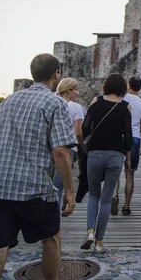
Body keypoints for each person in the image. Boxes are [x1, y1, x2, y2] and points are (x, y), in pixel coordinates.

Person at [0, 54, 76, 280]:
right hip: (34, 187)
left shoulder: (8, 101)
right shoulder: (55, 104)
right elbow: (59, 152)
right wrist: (69, 190)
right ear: (56, 74)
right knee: (52, 239)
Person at [81, 73, 132, 253]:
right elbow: (128, 137)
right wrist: (127, 156)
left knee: (93, 195)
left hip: (95, 153)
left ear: (106, 85)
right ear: (122, 88)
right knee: (106, 198)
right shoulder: (126, 107)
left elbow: (85, 127)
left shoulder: (96, 102)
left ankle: (89, 231)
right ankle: (99, 243)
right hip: (115, 155)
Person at [120, 76, 141, 215]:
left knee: (114, 171)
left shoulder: (121, 99)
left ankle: (114, 195)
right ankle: (126, 206)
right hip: (134, 139)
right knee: (130, 175)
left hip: (118, 137)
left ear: (129, 86)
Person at [53, 78, 84, 208]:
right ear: (68, 91)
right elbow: (78, 133)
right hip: (67, 150)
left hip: (50, 149)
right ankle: (55, 223)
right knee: (59, 189)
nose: (77, 93)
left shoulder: (52, 103)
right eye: (75, 90)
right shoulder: (76, 108)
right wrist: (83, 146)